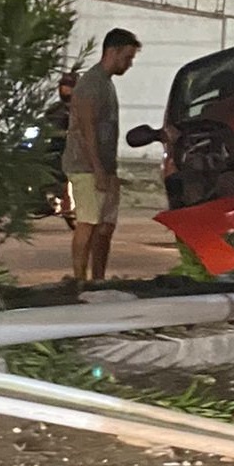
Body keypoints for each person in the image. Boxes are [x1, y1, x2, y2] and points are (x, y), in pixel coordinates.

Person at [62, 29, 141, 286]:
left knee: (105, 227)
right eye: (127, 57)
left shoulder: (106, 83)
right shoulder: (91, 83)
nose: (129, 64)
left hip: (104, 167)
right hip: (86, 166)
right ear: (112, 52)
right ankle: (79, 280)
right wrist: (96, 168)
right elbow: (87, 128)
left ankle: (98, 280)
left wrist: (109, 171)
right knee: (88, 222)